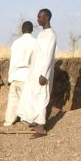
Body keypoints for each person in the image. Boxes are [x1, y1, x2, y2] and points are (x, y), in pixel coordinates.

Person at [16, 9, 57, 138]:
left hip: (42, 73)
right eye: (38, 17)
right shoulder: (41, 35)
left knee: (41, 98)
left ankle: (41, 127)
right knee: (32, 97)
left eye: (40, 17)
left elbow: (48, 56)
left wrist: (44, 74)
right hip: (34, 72)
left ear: (47, 17)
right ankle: (35, 122)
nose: (38, 19)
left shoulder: (51, 35)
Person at [3, 21, 36, 126]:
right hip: (27, 76)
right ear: (32, 30)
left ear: (22, 30)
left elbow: (12, 62)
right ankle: (26, 121)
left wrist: (10, 78)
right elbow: (36, 62)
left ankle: (9, 121)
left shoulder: (16, 43)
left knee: (13, 100)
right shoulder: (35, 43)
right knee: (26, 100)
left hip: (15, 75)